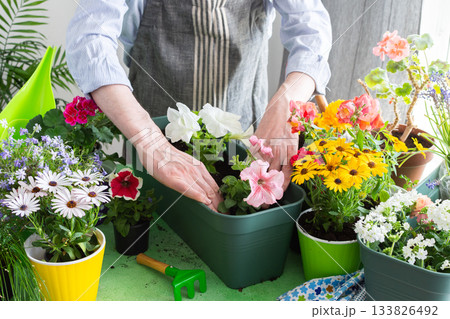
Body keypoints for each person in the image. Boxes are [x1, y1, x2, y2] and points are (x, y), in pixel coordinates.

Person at [66, 0, 332, 211]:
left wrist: (287, 100)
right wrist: (153, 144)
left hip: (243, 126)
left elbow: (311, 31)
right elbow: (90, 40)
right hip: (155, 136)